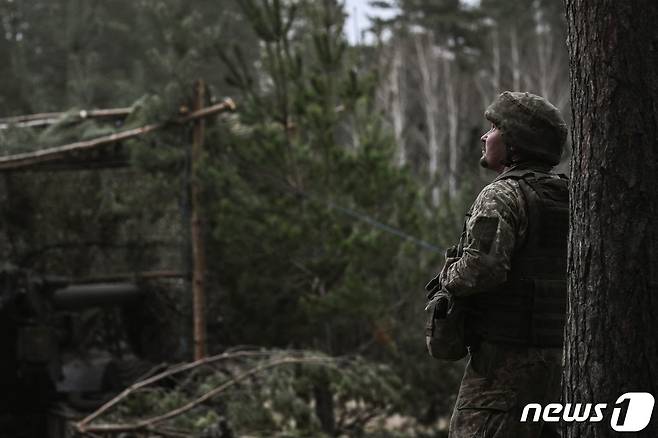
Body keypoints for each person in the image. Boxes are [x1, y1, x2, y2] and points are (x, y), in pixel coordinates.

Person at [425, 91, 569, 437]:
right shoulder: (566, 193)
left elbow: (482, 268)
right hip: (559, 363)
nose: (484, 136)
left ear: (515, 142)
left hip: (502, 367)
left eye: (494, 128)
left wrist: (448, 275)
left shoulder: (501, 195)